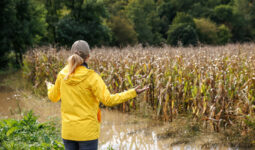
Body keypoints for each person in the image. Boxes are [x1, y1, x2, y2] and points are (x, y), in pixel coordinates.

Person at [46, 40, 148, 150]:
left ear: (72, 55)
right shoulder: (92, 77)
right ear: (88, 56)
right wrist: (133, 92)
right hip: (87, 133)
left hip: (68, 132)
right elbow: (109, 100)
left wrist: (49, 86)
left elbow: (53, 97)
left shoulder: (62, 75)